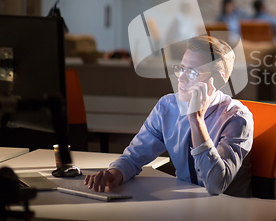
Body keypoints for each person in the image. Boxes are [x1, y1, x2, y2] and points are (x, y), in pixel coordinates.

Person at [84, 35, 254, 197]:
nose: (182, 79)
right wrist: (116, 173)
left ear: (217, 80)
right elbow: (134, 157)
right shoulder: (167, 107)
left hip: (226, 209)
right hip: (184, 204)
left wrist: (196, 120)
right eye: (181, 69)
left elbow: (215, 186)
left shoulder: (237, 118)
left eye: (193, 73)